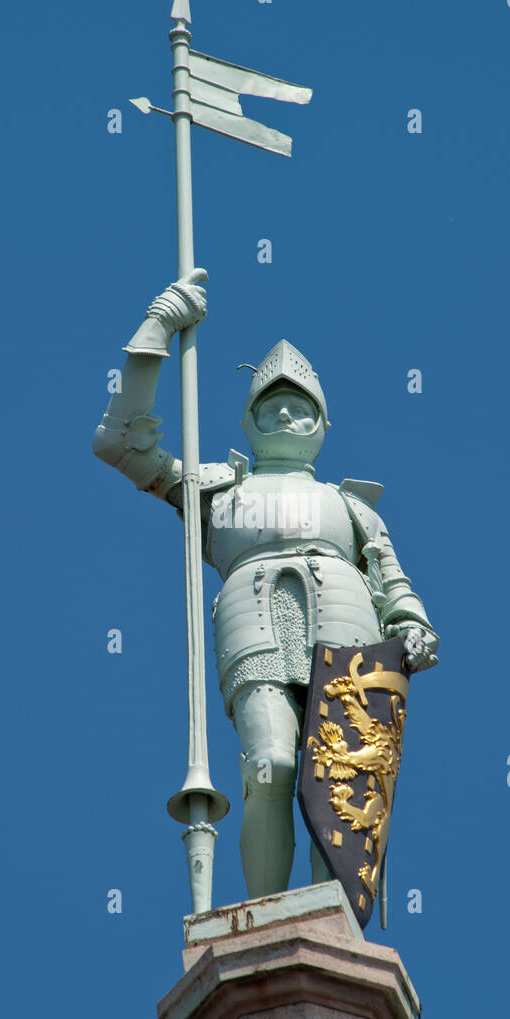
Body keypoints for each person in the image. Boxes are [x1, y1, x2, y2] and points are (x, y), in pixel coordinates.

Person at [93, 272, 439, 897]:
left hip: (345, 616)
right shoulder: (216, 488)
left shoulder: (349, 505)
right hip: (251, 614)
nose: (285, 412)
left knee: (343, 783)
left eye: (300, 405)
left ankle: (328, 912)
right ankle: (268, 911)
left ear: (323, 424)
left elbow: (390, 578)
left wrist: (410, 623)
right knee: (272, 765)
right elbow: (118, 443)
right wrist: (159, 325)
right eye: (271, 405)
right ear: (248, 420)